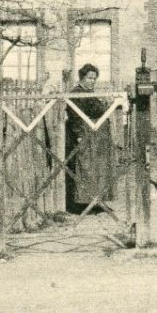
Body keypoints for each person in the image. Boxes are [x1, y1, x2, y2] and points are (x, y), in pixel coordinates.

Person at [65, 64, 115, 213]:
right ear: (82, 77)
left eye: (94, 78)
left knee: (97, 169)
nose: (92, 81)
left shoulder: (90, 92)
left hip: (96, 138)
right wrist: (79, 135)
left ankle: (96, 202)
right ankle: (82, 204)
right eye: (89, 78)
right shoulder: (77, 94)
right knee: (85, 169)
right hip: (84, 136)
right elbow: (74, 116)